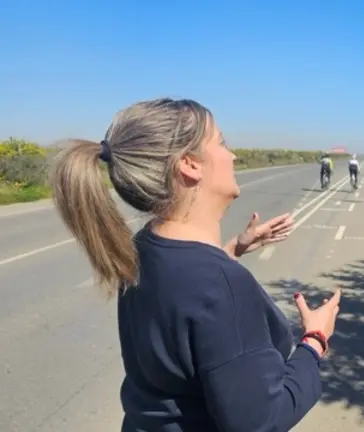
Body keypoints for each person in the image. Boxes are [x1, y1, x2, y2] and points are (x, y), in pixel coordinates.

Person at [48, 98, 342, 432]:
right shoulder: (221, 286)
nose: (233, 155)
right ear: (189, 165)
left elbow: (185, 295)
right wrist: (315, 340)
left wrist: (232, 249)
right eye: (221, 142)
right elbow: (261, 420)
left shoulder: (143, 246)